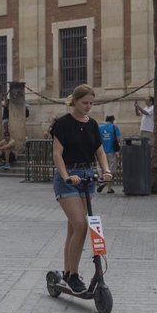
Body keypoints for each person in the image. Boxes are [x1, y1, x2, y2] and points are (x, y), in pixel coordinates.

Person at [52, 84, 113, 294]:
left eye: (91, 103)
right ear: (75, 101)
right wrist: (66, 176)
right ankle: (74, 275)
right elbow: (57, 154)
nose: (88, 107)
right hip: (68, 178)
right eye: (84, 103)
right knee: (81, 225)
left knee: (73, 228)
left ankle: (68, 272)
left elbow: (100, 151)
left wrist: (106, 170)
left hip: (87, 177)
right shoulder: (63, 123)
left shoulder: (93, 124)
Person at [97, 115, 121, 194]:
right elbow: (118, 139)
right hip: (111, 151)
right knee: (110, 169)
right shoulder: (114, 127)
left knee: (101, 168)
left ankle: (102, 181)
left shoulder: (100, 127)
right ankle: (109, 188)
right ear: (112, 120)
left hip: (101, 152)